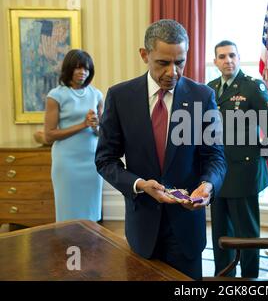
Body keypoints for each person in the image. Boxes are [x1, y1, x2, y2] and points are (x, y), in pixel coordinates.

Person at [95, 19, 226, 280]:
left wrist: (208, 186)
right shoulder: (120, 97)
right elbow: (105, 160)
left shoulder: (202, 96)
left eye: (180, 62)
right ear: (145, 55)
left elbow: (215, 157)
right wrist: (139, 184)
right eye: (163, 63)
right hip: (142, 229)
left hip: (187, 230)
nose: (173, 72)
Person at [207, 40, 268, 278]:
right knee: (220, 229)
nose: (228, 60)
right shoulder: (210, 88)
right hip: (217, 172)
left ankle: (250, 277)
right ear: (215, 61)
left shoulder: (252, 87)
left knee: (246, 232)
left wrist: (256, 157)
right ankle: (224, 275)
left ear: (238, 58)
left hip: (244, 171)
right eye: (222, 56)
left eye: (232, 55)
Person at [44, 49, 103, 222]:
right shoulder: (56, 95)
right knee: (68, 213)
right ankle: (69, 248)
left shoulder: (96, 94)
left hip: (92, 161)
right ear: (69, 69)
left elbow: (103, 132)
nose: (82, 72)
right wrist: (82, 125)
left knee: (91, 212)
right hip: (67, 162)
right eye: (78, 68)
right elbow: (49, 135)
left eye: (86, 69)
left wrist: (95, 125)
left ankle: (90, 248)